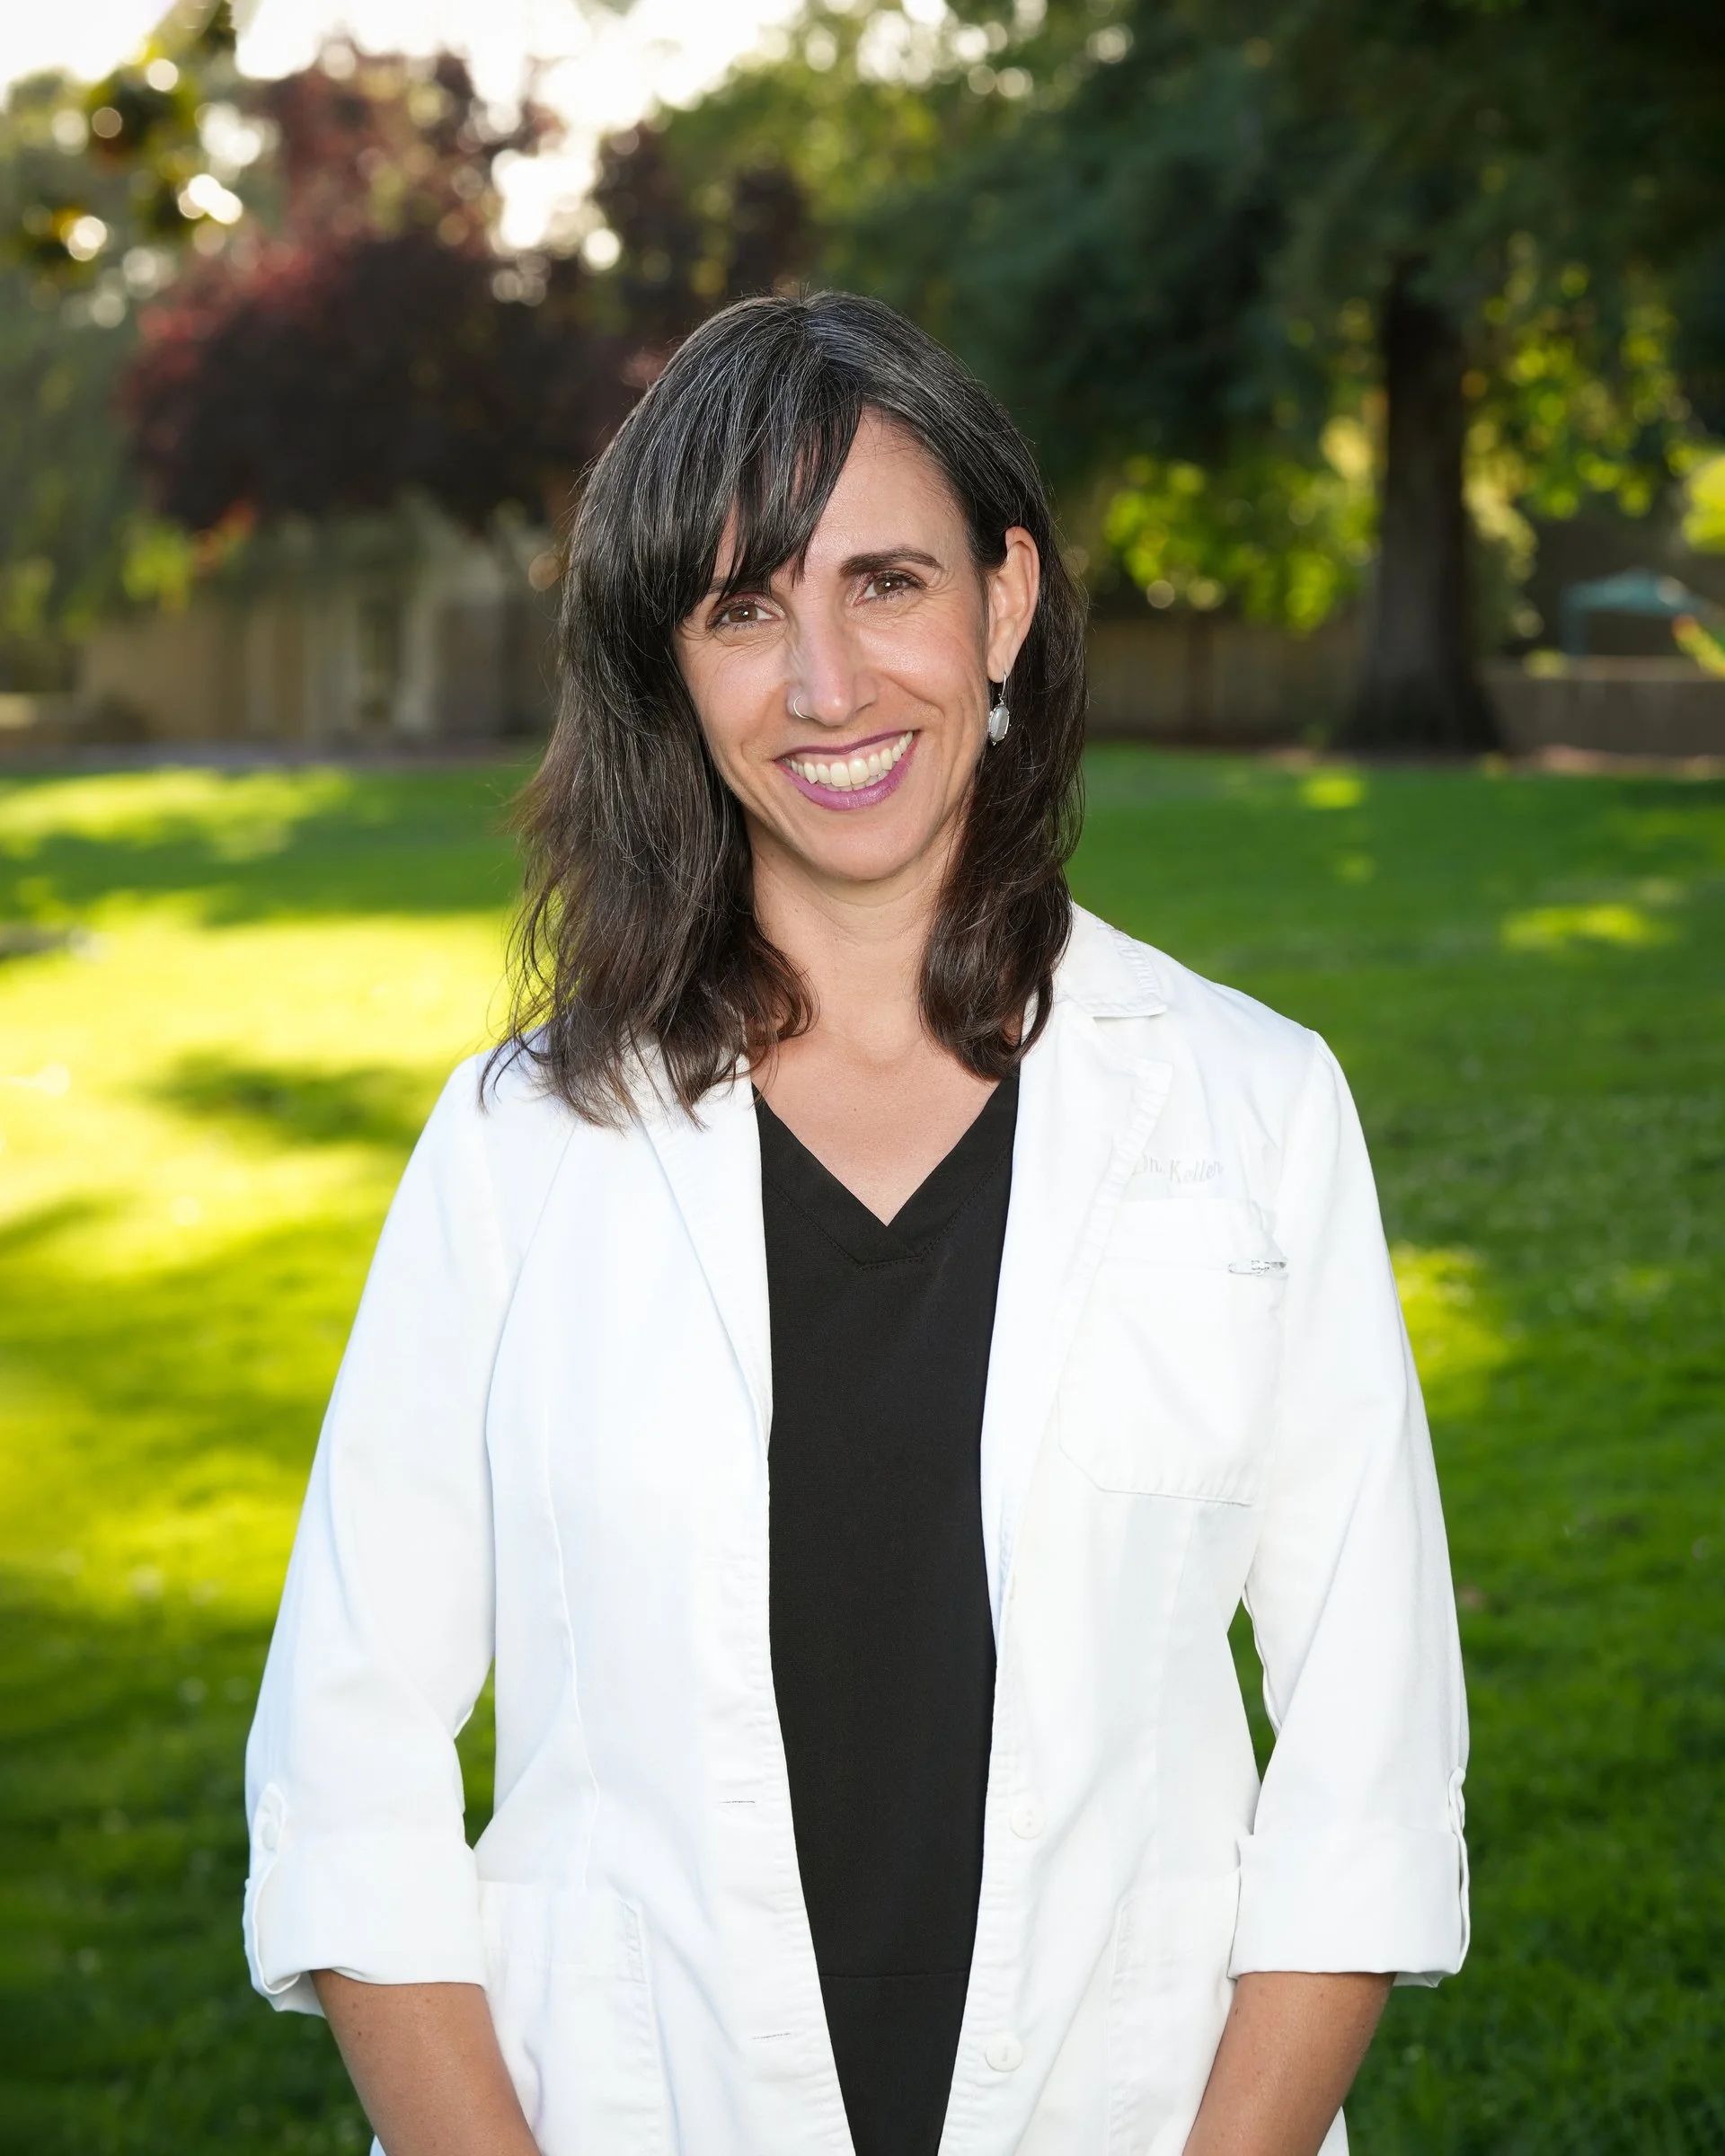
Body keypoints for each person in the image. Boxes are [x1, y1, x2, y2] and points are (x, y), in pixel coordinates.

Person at [241, 289, 1471, 2156]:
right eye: (744, 610)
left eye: (883, 582)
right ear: (672, 669)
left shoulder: (1250, 1107)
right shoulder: (520, 1148)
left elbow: (1365, 1775)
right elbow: (352, 1773)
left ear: (1008, 603)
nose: (825, 685)